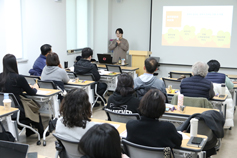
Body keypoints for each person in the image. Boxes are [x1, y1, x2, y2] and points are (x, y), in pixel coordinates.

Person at [0, 54, 45, 137]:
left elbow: (10, 90)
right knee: (34, 109)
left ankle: (29, 131)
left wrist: (22, 88)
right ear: (14, 64)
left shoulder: (0, 77)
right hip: (18, 111)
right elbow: (32, 92)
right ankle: (42, 133)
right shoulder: (19, 78)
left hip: (5, 110)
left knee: (26, 107)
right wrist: (35, 87)